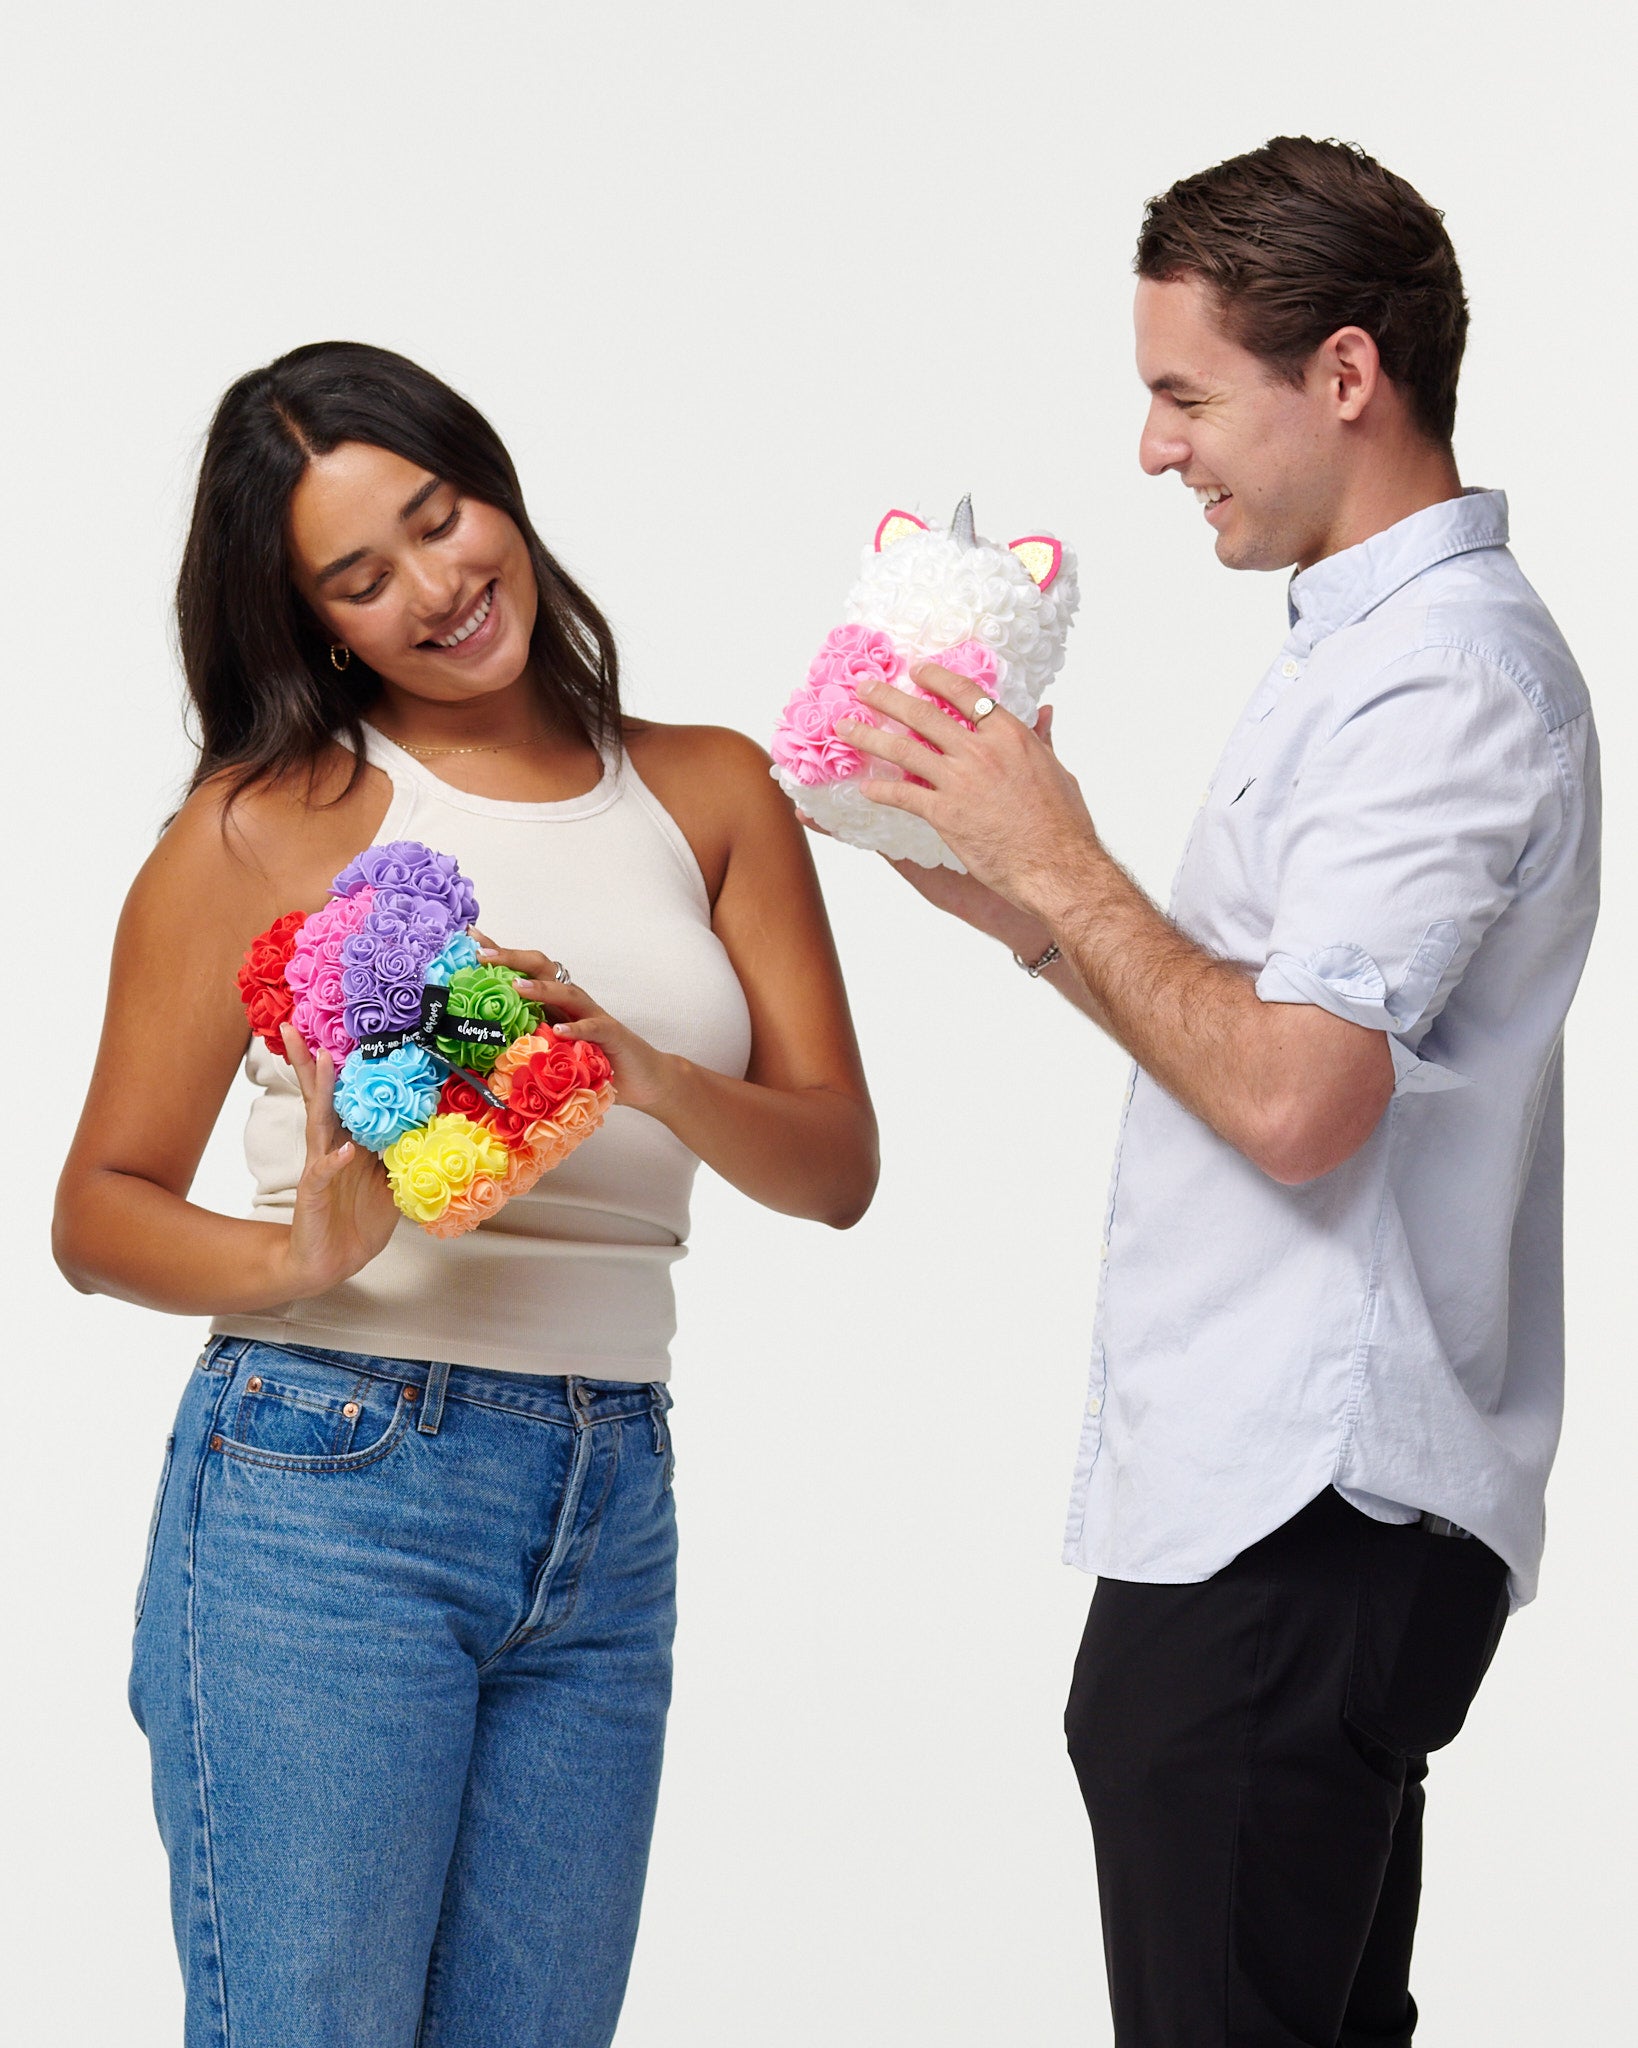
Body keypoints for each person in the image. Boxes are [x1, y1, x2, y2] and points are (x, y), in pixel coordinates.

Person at [820, 137, 1600, 2046]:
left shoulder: (1443, 680)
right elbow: (1253, 1034)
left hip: (1299, 1513)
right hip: (1284, 1516)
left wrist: (1066, 860)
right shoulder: (1364, 649)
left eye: (1185, 396)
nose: (1155, 451)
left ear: (1344, 374)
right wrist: (1027, 911)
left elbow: (1292, 1102)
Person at [52, 341, 878, 2048]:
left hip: (606, 1488)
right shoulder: (268, 822)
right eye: (363, 576)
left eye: (440, 519)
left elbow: (834, 1167)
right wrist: (299, 1248)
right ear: (317, 623)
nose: (436, 587)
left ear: (492, 487)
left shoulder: (709, 789)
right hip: (326, 1480)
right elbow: (99, 1206)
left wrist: (639, 1066)